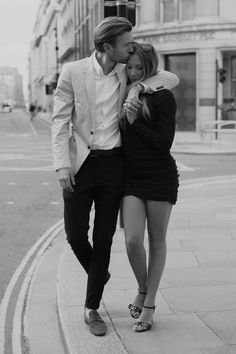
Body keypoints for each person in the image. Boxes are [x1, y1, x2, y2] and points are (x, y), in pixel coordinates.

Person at [52, 17, 179, 337]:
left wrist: (139, 86)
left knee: (106, 238)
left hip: (114, 166)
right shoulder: (72, 72)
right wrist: (61, 165)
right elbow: (59, 121)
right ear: (108, 46)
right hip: (80, 164)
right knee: (76, 235)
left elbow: (169, 77)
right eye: (126, 43)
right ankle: (100, 274)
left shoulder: (127, 69)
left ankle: (91, 308)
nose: (131, 47)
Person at [120, 42, 179, 332]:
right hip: (132, 177)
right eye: (129, 67)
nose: (133, 73)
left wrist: (134, 121)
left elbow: (163, 143)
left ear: (149, 68)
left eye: (139, 69)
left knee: (156, 241)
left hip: (159, 175)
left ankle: (150, 304)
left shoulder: (163, 97)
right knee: (132, 240)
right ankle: (143, 289)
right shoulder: (125, 90)